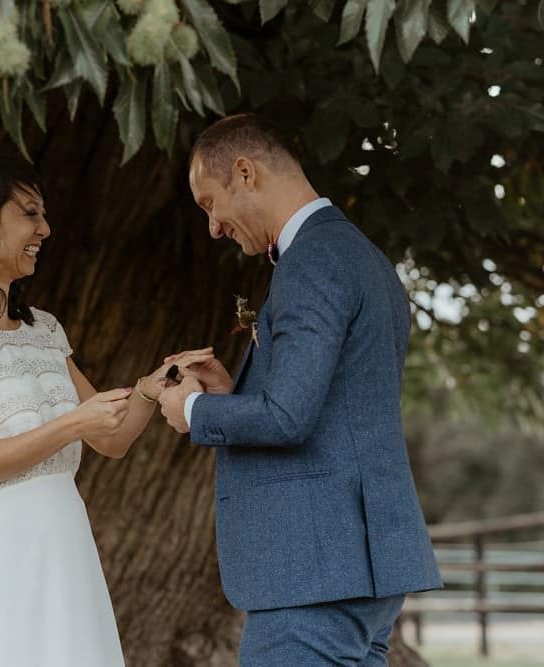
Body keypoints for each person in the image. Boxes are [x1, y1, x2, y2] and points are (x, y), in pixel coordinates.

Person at [158, 113, 442, 666]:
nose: (213, 227)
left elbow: (288, 417)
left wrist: (193, 409)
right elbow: (334, 399)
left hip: (316, 572)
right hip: (360, 564)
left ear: (245, 173)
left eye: (209, 204)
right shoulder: (357, 253)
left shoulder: (310, 261)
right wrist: (229, 392)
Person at [0, 140, 171, 666]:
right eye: (29, 214)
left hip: (66, 548)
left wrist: (148, 389)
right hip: (3, 554)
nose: (44, 230)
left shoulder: (43, 329)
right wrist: (70, 425)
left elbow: (110, 437)